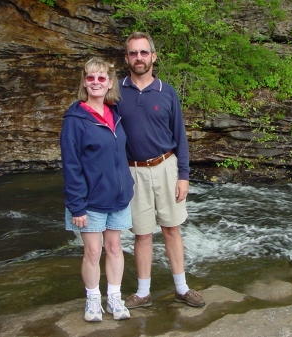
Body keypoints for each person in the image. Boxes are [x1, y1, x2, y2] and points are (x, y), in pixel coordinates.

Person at [117, 32, 205, 308]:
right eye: (133, 53)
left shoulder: (167, 92)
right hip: (133, 172)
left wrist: (184, 176)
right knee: (142, 234)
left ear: (153, 57)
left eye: (144, 52)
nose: (139, 58)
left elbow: (180, 136)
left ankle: (181, 288)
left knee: (171, 229)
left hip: (166, 167)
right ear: (126, 58)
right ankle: (143, 293)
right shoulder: (115, 92)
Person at [60, 57, 134, 322]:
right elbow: (71, 164)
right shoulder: (75, 119)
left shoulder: (114, 114)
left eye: (101, 78)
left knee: (115, 248)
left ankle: (114, 298)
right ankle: (93, 301)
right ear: (84, 82)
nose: (96, 82)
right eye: (91, 78)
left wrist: (129, 186)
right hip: (89, 201)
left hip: (118, 197)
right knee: (92, 251)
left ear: (110, 83)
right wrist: (76, 205)